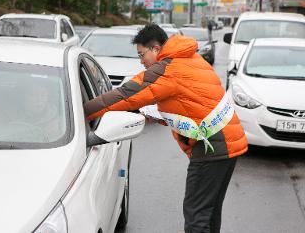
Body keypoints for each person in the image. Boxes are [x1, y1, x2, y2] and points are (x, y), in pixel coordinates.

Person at [84, 23, 248, 233]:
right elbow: (189, 105)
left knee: (196, 215)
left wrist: (83, 112)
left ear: (155, 48)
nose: (141, 61)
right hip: (227, 142)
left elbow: (126, 95)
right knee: (209, 211)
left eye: (142, 54)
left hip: (211, 147)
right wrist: (148, 114)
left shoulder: (167, 69)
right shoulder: (190, 59)